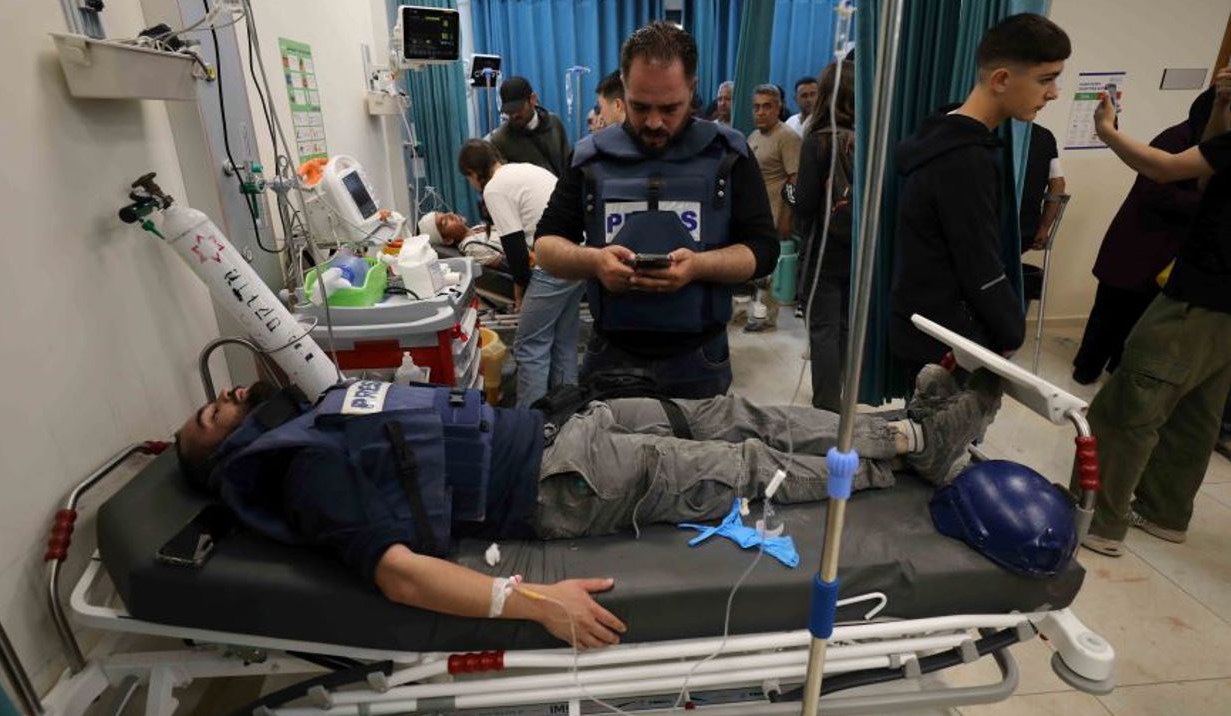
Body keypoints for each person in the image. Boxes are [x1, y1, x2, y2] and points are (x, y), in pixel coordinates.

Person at [174, 366, 1002, 647]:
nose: (232, 394)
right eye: (215, 412)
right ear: (228, 455)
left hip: (562, 429)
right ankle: (903, 458)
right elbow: (399, 576)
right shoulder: (305, 476)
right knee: (741, 466)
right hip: (566, 483)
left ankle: (899, 426)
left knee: (734, 412)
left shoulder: (313, 420)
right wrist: (536, 603)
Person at [533, 22, 779, 398]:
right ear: (623, 90)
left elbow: (764, 251)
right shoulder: (589, 158)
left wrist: (698, 266)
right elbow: (546, 246)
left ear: (692, 89)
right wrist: (595, 262)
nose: (653, 122)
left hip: (699, 356)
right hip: (612, 355)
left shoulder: (729, 155)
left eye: (669, 108)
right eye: (640, 106)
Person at [1077, 66, 1231, 557]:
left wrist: (1107, 131)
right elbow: (1210, 174)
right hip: (1224, 310)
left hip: (1199, 295)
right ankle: (1165, 513)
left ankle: (1098, 521)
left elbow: (1165, 169)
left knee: (1130, 404)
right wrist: (1222, 105)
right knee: (1196, 413)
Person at [890, 14, 1070, 386]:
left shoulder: (943, 132)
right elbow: (979, 264)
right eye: (1045, 79)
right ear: (1001, 79)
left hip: (925, 324)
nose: (1053, 93)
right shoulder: (965, 159)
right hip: (946, 340)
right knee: (944, 424)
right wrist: (1011, 331)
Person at [1072, 90, 1214, 384]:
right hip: (1138, 244)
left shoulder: (1207, 144)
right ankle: (1086, 369)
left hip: (1167, 253)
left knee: (1139, 320)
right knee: (1109, 313)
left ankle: (1117, 372)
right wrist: (1208, 204)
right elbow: (1156, 192)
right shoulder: (1177, 139)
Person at [458, 139, 583, 409]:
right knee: (563, 341)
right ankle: (568, 412)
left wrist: (520, 289)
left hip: (555, 262)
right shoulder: (524, 170)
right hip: (580, 256)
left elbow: (514, 248)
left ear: (472, 173)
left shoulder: (494, 188)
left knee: (530, 345)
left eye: (468, 178)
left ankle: (531, 421)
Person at [794, 61, 855, 413]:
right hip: (859, 248)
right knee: (845, 326)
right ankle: (841, 396)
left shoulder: (818, 141)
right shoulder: (869, 140)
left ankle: (827, 408)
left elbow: (803, 203)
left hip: (824, 248)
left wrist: (787, 195)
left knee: (822, 329)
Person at [745, 84, 802, 333]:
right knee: (757, 270)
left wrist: (787, 217)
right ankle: (754, 313)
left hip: (777, 215)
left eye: (767, 106)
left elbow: (795, 179)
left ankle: (768, 319)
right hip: (757, 215)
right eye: (756, 107)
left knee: (772, 271)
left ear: (778, 108)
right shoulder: (753, 136)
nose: (760, 112)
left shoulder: (787, 137)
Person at [488, 76, 572, 178]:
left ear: (532, 99)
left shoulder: (554, 123)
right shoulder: (500, 140)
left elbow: (568, 164)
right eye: (509, 111)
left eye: (518, 108)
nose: (514, 115)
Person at [1019, 123, 1066, 253]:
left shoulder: (986, 131)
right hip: (1026, 231)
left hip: (985, 231)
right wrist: (1044, 228)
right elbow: (1058, 183)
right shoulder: (1045, 136)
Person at [419, 211, 505, 269]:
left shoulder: (476, 228)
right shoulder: (472, 247)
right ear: (448, 240)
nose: (451, 214)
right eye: (444, 222)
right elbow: (508, 265)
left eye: (444, 213)